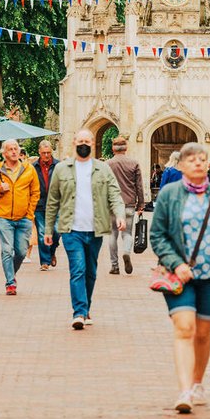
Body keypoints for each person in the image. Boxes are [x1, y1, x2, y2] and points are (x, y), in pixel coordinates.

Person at [150, 143, 210, 413]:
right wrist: (176, 263)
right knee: (184, 328)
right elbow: (158, 236)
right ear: (181, 165)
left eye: (203, 159)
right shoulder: (169, 195)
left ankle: (198, 382)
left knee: (202, 333)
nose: (198, 164)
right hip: (179, 274)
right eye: (192, 160)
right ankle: (184, 391)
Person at [44, 129, 125, 329]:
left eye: (87, 141)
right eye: (80, 141)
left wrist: (120, 214)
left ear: (92, 143)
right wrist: (48, 230)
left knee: (91, 272)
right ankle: (79, 312)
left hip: (95, 229)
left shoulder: (103, 169)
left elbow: (114, 194)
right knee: (78, 269)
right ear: (74, 142)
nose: (84, 144)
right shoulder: (62, 169)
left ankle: (86, 307)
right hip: (71, 229)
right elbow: (53, 201)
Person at [0, 139, 40, 295]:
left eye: (16, 148)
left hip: (24, 218)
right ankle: (10, 282)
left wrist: (30, 213)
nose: (14, 151)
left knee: (21, 252)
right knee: (7, 251)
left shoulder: (28, 169)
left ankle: (11, 274)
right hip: (4, 216)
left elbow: (35, 193)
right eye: (10, 149)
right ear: (4, 153)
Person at [107, 135, 145, 276]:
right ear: (126, 148)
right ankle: (126, 253)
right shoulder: (133, 163)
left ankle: (114, 265)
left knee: (112, 233)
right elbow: (139, 185)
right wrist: (141, 203)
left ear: (113, 149)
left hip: (112, 204)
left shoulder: (108, 164)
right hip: (129, 203)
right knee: (127, 232)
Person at [32, 141, 60, 271]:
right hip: (39, 204)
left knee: (56, 230)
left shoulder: (59, 165)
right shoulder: (34, 167)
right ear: (39, 152)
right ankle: (45, 261)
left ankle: (52, 251)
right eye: (44, 153)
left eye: (48, 153)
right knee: (42, 233)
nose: (47, 155)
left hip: (56, 204)